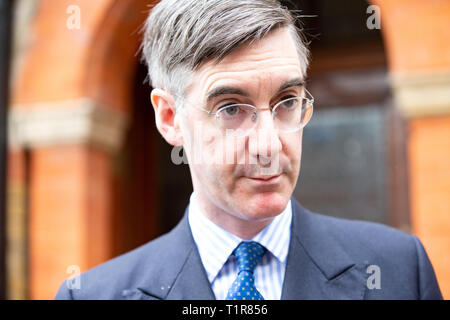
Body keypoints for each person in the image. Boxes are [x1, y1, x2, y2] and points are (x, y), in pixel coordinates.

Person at [55, 0, 442, 300]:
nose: (268, 145)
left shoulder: (398, 269)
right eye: (230, 109)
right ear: (170, 118)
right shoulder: (90, 294)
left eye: (287, 101)